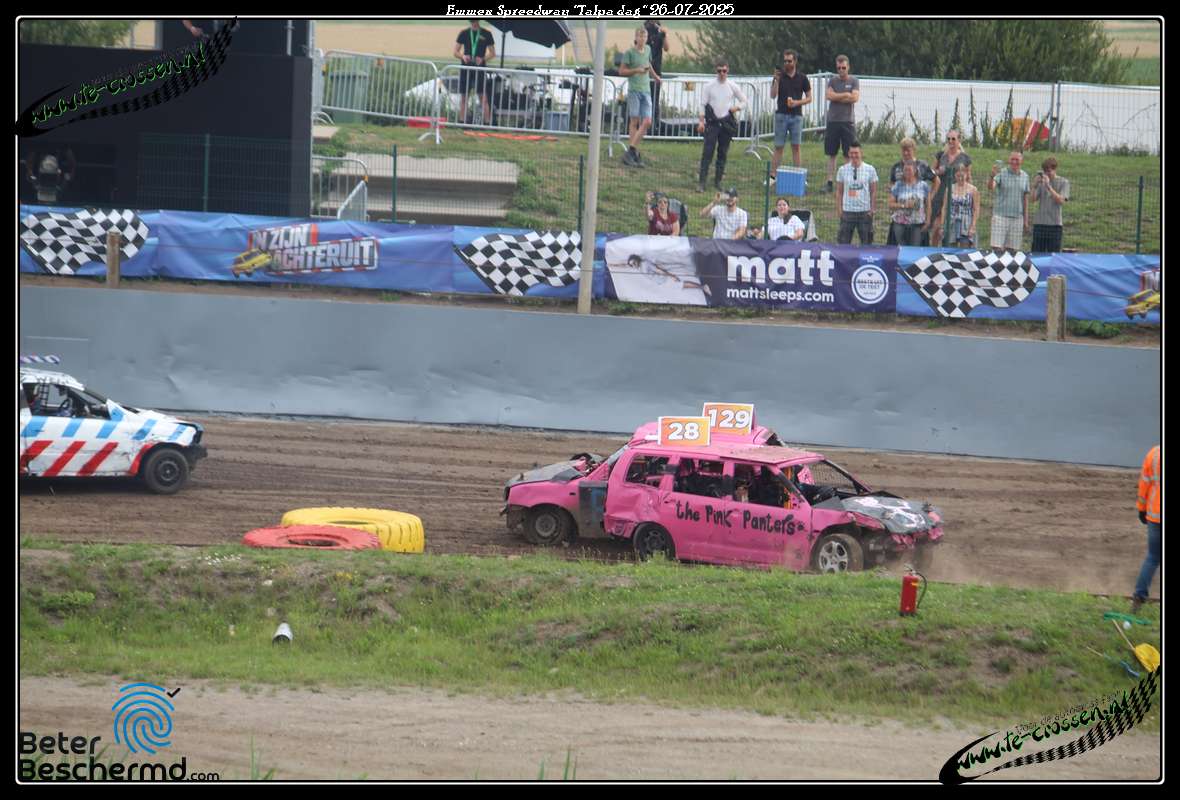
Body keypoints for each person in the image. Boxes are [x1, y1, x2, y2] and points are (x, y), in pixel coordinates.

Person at [697, 58, 748, 192]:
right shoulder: (709, 86)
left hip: (726, 122)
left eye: (724, 71)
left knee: (723, 153)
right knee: (707, 152)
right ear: (716, 70)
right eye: (719, 71)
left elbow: (744, 101)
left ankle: (718, 181)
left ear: (727, 70)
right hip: (712, 122)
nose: (722, 74)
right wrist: (701, 121)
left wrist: (736, 108)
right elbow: (702, 105)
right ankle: (702, 182)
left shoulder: (732, 85)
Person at [620, 27, 660, 168]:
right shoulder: (629, 53)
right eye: (640, 36)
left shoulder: (648, 49)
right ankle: (633, 153)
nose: (643, 39)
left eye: (645, 37)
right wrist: (636, 70)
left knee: (647, 121)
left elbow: (648, 64)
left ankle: (631, 150)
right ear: (636, 38)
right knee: (634, 121)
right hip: (634, 90)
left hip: (646, 90)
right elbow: (621, 71)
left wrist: (655, 76)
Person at [888, 137, 939, 245]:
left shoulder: (923, 165)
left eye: (908, 150)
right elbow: (891, 185)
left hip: (918, 215)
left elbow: (936, 181)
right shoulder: (896, 167)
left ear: (914, 149)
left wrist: (929, 198)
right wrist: (899, 202)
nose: (906, 153)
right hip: (901, 214)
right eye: (903, 150)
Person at [770, 49, 811, 175]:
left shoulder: (802, 78)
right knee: (778, 147)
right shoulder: (780, 76)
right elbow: (773, 95)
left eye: (789, 61)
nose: (786, 63)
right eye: (785, 61)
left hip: (796, 116)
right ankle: (772, 176)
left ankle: (798, 176)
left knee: (796, 147)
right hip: (781, 115)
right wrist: (776, 80)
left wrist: (797, 102)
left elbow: (809, 98)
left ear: (795, 61)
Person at [822, 55, 859, 193]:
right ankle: (829, 182)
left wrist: (837, 96)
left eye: (843, 68)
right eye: (839, 68)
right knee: (831, 153)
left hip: (848, 122)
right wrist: (845, 95)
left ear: (848, 67)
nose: (841, 70)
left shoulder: (854, 81)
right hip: (833, 121)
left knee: (848, 154)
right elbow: (829, 96)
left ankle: (847, 181)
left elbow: (854, 97)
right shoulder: (832, 80)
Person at [1131, 445, 1160, 613]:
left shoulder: (1154, 454)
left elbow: (1144, 484)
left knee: (1152, 558)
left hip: (1155, 516)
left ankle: (1138, 598)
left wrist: (1141, 509)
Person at [928, 130, 971, 236]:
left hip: (956, 194)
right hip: (940, 193)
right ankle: (934, 246)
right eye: (948, 139)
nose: (950, 141)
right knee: (936, 228)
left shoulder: (965, 158)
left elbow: (968, 177)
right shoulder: (941, 155)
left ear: (959, 140)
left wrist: (968, 194)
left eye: (953, 139)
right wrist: (938, 171)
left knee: (952, 229)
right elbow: (930, 173)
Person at [454, 20, 496, 124]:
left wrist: (482, 59)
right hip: (466, 68)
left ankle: (487, 122)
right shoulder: (464, 33)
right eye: (472, 20)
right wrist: (463, 56)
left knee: (483, 97)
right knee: (464, 96)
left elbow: (492, 53)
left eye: (475, 20)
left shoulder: (486, 34)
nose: (473, 22)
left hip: (480, 68)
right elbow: (455, 52)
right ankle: (462, 121)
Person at [835, 142, 877, 245]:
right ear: (848, 154)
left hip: (864, 212)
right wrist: (840, 210)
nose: (854, 155)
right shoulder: (842, 170)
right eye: (851, 153)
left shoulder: (870, 169)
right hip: (847, 211)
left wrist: (872, 209)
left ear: (861, 153)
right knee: (843, 243)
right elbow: (839, 191)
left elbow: (873, 191)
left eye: (856, 153)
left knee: (866, 243)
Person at [988, 151, 1030, 253]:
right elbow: (991, 187)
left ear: (1021, 161)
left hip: (1017, 218)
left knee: (1012, 251)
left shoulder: (1025, 176)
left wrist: (1025, 220)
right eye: (1012, 159)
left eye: (1017, 159)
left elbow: (1025, 199)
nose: (1014, 162)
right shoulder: (1001, 173)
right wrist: (991, 176)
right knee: (997, 249)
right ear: (1009, 160)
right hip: (1000, 216)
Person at [1030, 157, 1070, 252]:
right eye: (1045, 171)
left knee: (1053, 254)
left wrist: (1048, 187)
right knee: (1037, 253)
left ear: (1055, 169)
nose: (1046, 174)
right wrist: (1034, 186)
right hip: (1040, 224)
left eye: (1049, 171)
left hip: (1055, 225)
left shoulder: (1064, 182)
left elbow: (1061, 201)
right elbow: (1032, 199)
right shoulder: (1041, 182)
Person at [888, 162, 931, 246]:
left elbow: (928, 205)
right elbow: (890, 204)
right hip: (900, 223)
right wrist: (904, 205)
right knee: (902, 248)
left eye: (909, 170)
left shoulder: (924, 185)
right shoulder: (898, 185)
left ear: (915, 171)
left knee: (915, 248)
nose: (907, 172)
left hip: (917, 223)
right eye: (905, 170)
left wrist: (928, 220)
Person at [944, 164, 980, 247]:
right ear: (954, 175)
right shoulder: (949, 188)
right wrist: (943, 225)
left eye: (962, 176)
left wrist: (973, 226)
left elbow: (976, 209)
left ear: (966, 174)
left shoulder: (973, 190)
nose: (960, 178)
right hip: (952, 222)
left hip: (966, 223)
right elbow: (944, 208)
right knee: (951, 249)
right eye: (958, 176)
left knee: (965, 248)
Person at [643, 19, 670, 129]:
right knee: (645, 98)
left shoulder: (660, 30)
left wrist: (665, 35)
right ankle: (644, 123)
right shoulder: (644, 29)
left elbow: (666, 48)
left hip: (657, 69)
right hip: (644, 70)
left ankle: (654, 124)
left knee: (655, 98)